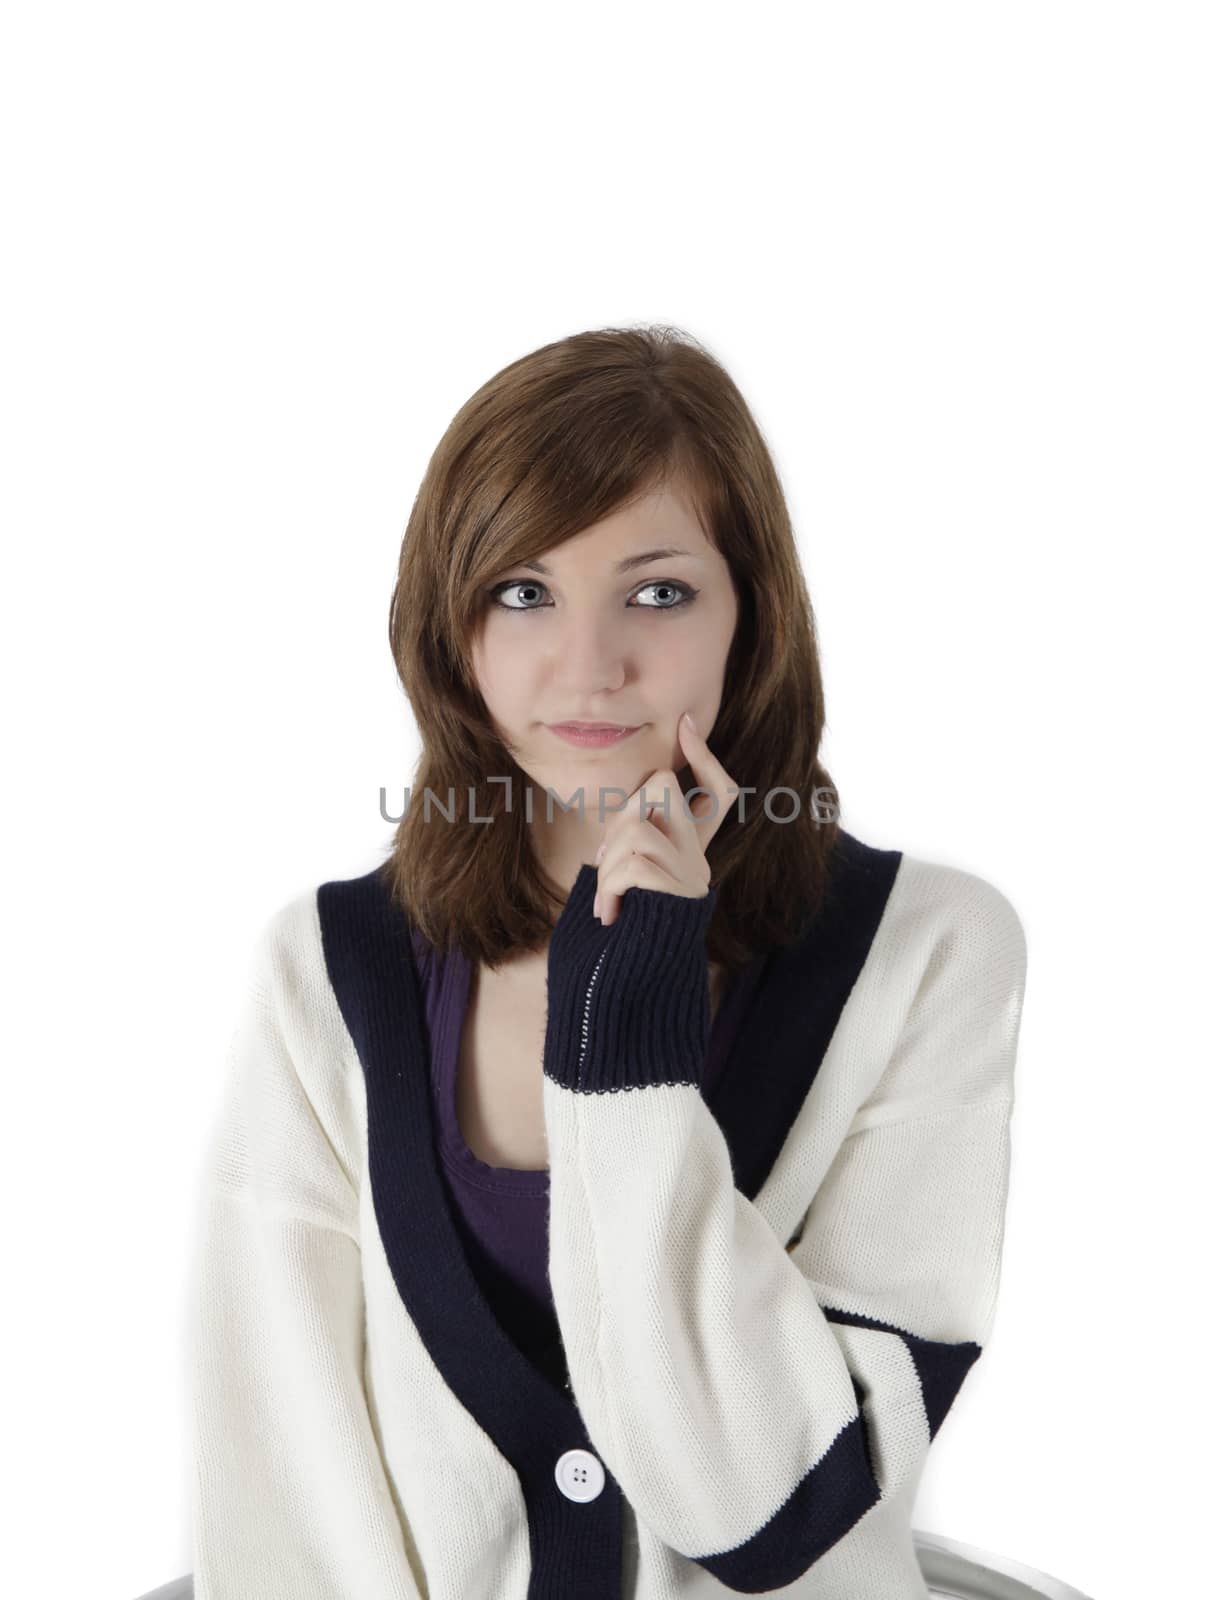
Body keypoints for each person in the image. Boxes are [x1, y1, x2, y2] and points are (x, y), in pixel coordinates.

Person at [187, 324, 1028, 1599]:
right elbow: (280, 1479)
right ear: (449, 627)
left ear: (753, 613)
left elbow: (768, 1512)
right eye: (523, 593)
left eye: (658, 591)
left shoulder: (930, 954)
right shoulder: (327, 972)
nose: (590, 666)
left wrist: (623, 1046)